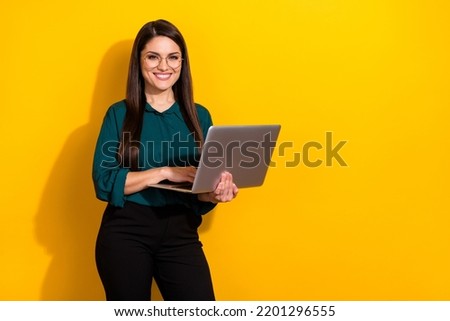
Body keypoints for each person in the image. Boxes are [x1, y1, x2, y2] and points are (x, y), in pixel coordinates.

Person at [92, 19, 238, 301]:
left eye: (173, 57)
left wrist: (216, 192)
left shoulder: (199, 116)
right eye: (153, 57)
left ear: (182, 62)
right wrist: (165, 171)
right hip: (126, 232)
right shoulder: (118, 114)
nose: (164, 66)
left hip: (181, 233)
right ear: (139, 61)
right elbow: (103, 181)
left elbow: (200, 190)